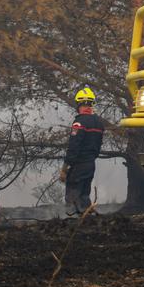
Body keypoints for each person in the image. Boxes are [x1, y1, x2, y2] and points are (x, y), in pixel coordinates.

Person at [60, 87, 105, 215]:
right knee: (84, 194)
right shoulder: (99, 123)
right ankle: (87, 219)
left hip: (78, 164)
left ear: (78, 104)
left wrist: (64, 168)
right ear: (92, 104)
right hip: (91, 164)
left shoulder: (79, 122)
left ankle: (73, 220)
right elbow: (98, 146)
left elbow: (74, 146)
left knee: (73, 195)